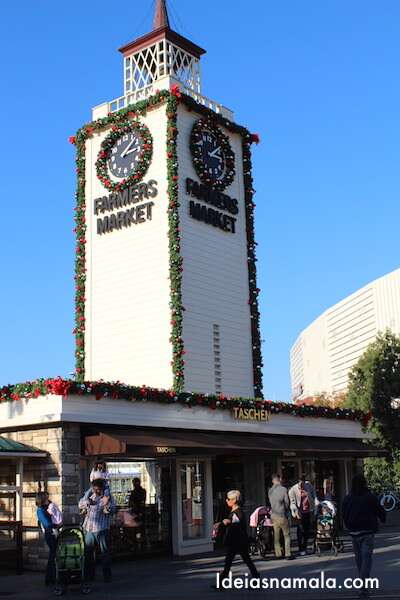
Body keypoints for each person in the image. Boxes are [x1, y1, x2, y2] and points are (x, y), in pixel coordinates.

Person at [342, 474, 386, 598]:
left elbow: (344, 513)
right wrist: (382, 519)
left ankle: (363, 582)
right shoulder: (369, 497)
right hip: (367, 531)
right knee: (367, 559)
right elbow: (379, 510)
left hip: (354, 531)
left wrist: (348, 524)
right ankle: (363, 585)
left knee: (359, 559)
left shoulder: (348, 498)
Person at [215, 490, 259, 583]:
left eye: (228, 499)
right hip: (236, 541)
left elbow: (236, 521)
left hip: (238, 541)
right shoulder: (235, 511)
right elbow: (232, 521)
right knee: (232, 561)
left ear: (234, 500)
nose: (226, 500)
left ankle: (256, 579)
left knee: (235, 561)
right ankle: (222, 581)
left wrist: (226, 522)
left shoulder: (238, 512)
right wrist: (221, 523)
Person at [79, 479, 115, 583]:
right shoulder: (91, 496)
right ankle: (90, 575)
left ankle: (107, 576)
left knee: (105, 553)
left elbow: (112, 509)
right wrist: (87, 501)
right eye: (94, 488)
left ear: (102, 488)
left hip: (102, 529)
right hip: (89, 529)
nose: (96, 491)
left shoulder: (107, 497)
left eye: (98, 489)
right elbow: (80, 504)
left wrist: (106, 504)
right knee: (88, 553)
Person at [289, 475, 317, 555]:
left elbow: (313, 493)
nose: (302, 485)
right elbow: (292, 503)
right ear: (298, 482)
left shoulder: (308, 485)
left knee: (307, 530)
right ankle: (301, 548)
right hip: (298, 512)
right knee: (300, 530)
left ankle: (305, 546)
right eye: (300, 483)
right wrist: (296, 510)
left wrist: (316, 501)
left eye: (303, 483)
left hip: (307, 511)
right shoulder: (293, 490)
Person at [268, 474, 294, 560]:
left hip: (274, 516)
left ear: (273, 481)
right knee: (286, 535)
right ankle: (287, 553)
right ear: (280, 479)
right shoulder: (283, 489)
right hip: (282, 514)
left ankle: (278, 553)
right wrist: (286, 509)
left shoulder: (270, 490)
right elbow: (287, 502)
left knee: (276, 535)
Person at [36, 492, 57, 586]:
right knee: (53, 555)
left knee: (54, 555)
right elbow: (47, 524)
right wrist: (57, 525)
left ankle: (52, 577)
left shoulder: (47, 507)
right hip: (49, 534)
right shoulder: (40, 510)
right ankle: (50, 578)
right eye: (46, 499)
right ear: (42, 500)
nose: (48, 500)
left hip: (53, 533)